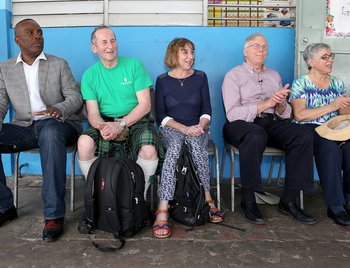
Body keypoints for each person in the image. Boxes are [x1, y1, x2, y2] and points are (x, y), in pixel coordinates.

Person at [0, 19, 83, 242]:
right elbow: (1, 103)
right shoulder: (5, 68)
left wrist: (59, 108)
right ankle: (4, 206)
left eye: (40, 32)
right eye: (30, 33)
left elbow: (75, 97)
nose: (37, 36)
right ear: (18, 40)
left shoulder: (58, 64)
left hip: (59, 125)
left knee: (50, 132)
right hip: (24, 127)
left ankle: (54, 215)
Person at [222, 32, 316, 225]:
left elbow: (283, 113)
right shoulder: (233, 75)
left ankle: (289, 200)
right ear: (245, 52)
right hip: (241, 124)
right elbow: (232, 114)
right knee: (255, 135)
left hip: (270, 122)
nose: (262, 50)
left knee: (304, 133)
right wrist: (266, 104)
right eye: (257, 46)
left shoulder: (274, 75)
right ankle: (248, 199)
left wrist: (280, 104)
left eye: (265, 47)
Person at [77, 25, 163, 200]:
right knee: (84, 142)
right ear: (94, 48)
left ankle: (138, 197)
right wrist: (102, 127)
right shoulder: (89, 76)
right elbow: (92, 112)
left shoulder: (134, 66)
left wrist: (121, 124)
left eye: (113, 41)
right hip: (106, 122)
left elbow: (145, 105)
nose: (110, 46)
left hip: (135, 120)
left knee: (148, 148)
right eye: (104, 42)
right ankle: (99, 196)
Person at [153, 37, 223, 239]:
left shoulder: (200, 77)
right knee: (174, 149)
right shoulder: (162, 80)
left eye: (192, 52)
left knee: (194, 146)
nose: (190, 56)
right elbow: (161, 117)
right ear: (173, 54)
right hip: (172, 129)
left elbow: (206, 109)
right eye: (185, 52)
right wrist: (184, 128)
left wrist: (200, 126)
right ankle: (163, 208)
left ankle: (208, 199)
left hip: (197, 128)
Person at [289, 42, 350, 226]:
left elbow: (344, 114)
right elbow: (300, 115)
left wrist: (345, 106)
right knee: (330, 150)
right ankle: (336, 206)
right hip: (310, 128)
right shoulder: (301, 83)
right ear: (311, 61)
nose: (330, 60)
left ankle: (347, 198)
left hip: (336, 127)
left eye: (331, 56)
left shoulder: (338, 83)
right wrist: (331, 106)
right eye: (325, 57)